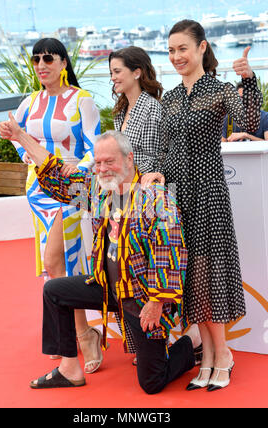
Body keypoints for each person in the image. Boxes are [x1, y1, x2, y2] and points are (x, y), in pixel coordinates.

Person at [0, 120, 202, 394]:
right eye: (99, 162)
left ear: (129, 159)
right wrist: (21, 136)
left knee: (152, 383)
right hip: (107, 288)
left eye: (110, 161)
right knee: (54, 290)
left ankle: (192, 342)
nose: (103, 169)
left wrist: (156, 302)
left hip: (141, 298)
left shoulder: (157, 198)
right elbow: (55, 174)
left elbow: (171, 253)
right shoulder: (96, 190)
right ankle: (69, 368)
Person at [142, 20, 262, 391]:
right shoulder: (172, 98)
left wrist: (250, 80)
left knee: (209, 276)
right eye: (171, 50)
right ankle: (208, 355)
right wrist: (157, 172)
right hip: (178, 198)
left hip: (208, 193)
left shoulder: (219, 90)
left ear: (202, 48)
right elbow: (165, 148)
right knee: (192, 276)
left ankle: (222, 354)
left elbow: (249, 121)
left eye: (183, 49)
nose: (177, 56)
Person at [8, 37, 103, 374]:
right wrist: (29, 154)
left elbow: (96, 145)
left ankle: (84, 333)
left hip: (71, 190)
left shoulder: (82, 100)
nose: (41, 65)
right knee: (56, 266)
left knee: (63, 259)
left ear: (64, 62)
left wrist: (77, 164)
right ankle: (75, 334)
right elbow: (17, 140)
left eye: (48, 58)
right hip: (38, 191)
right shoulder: (29, 103)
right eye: (36, 60)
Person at [109, 46, 163, 360]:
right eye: (112, 72)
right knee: (119, 269)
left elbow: (157, 159)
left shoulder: (153, 108)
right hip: (117, 199)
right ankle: (134, 343)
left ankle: (154, 344)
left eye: (118, 71)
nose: (113, 77)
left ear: (137, 72)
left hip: (144, 202)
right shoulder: (119, 112)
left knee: (142, 271)